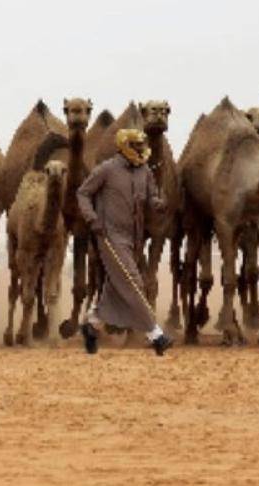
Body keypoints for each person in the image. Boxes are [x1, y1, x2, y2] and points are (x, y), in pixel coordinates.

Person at [76, 128, 172, 356]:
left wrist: (157, 203)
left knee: (117, 286)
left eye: (142, 144)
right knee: (133, 280)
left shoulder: (145, 171)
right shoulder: (106, 169)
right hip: (110, 235)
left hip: (134, 237)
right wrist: (92, 218)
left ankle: (92, 325)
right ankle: (156, 335)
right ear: (125, 146)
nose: (141, 149)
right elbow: (83, 193)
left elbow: (151, 196)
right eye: (137, 145)